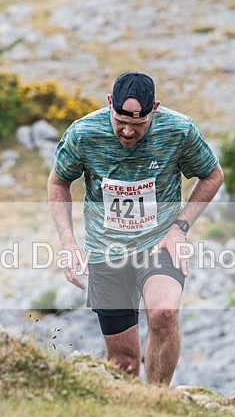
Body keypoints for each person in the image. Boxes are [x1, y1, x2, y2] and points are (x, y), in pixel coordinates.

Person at [47, 71, 224, 384]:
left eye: (138, 126)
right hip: (106, 252)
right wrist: (68, 243)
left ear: (154, 109)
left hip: (159, 244)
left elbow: (212, 175)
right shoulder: (84, 133)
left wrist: (180, 227)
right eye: (120, 122)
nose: (127, 132)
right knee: (123, 362)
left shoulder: (178, 131)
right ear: (109, 105)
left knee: (164, 314)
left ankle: (157, 403)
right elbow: (59, 181)